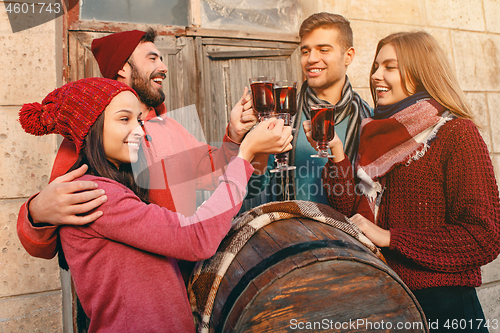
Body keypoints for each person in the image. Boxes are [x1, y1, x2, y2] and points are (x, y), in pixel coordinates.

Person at [18, 77, 292, 332]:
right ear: (90, 126)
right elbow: (195, 238)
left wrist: (235, 136)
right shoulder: (96, 192)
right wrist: (245, 155)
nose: (139, 130)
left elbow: (209, 171)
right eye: (124, 119)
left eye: (138, 120)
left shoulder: (127, 172)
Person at [17, 28, 269, 259]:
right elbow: (48, 240)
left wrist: (235, 135)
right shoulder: (88, 138)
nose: (163, 67)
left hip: (184, 275)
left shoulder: (171, 126)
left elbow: (214, 173)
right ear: (123, 68)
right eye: (152, 58)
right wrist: (35, 212)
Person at [318, 31, 500, 331]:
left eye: (390, 67)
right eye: (376, 66)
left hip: (443, 309)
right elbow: (351, 210)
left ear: (420, 72)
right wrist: (337, 154)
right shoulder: (377, 134)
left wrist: (390, 238)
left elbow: (483, 238)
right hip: (384, 302)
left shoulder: (456, 133)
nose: (376, 75)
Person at [241, 12, 371, 211]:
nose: (311, 59)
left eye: (323, 50)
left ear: (348, 56)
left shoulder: (368, 119)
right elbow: (252, 190)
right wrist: (256, 147)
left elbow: (373, 198)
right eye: (305, 51)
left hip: (345, 238)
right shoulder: (282, 115)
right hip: (289, 235)